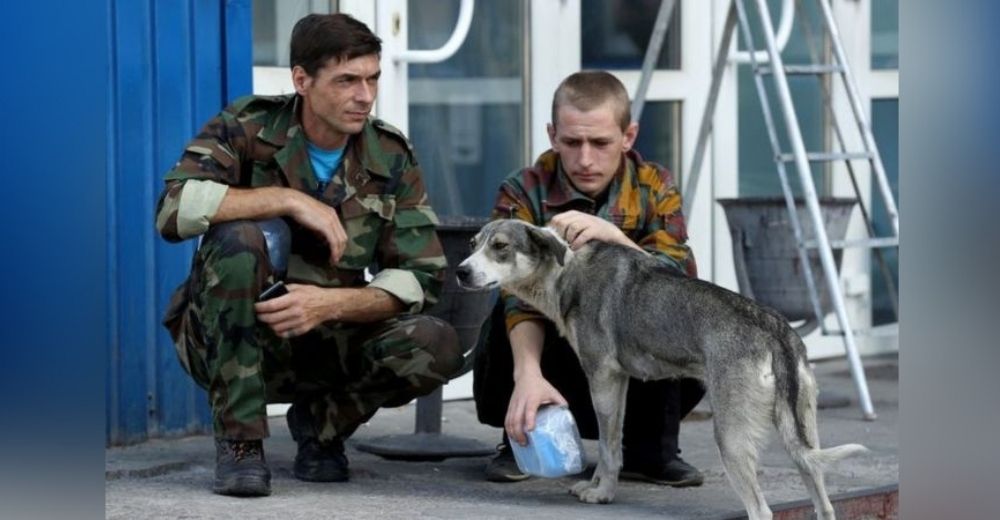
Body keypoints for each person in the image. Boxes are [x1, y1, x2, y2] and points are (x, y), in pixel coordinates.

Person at [155, 13, 463, 497]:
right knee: (237, 240)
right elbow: (172, 210)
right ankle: (241, 444)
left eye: (372, 78)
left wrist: (328, 304)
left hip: (328, 336)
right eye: (346, 81)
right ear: (301, 80)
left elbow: (421, 277)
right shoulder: (248, 126)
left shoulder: (388, 153)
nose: (365, 96)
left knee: (437, 342)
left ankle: (321, 431)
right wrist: (291, 200)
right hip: (234, 335)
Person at [473, 71, 707, 486]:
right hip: (555, 358)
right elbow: (513, 296)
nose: (584, 159)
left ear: (628, 136)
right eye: (571, 142)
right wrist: (526, 373)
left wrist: (615, 238)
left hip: (637, 353)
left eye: (600, 143)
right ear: (552, 135)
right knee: (503, 316)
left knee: (688, 320)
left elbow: (679, 283)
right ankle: (522, 436)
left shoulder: (655, 186)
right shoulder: (524, 189)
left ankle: (650, 449)